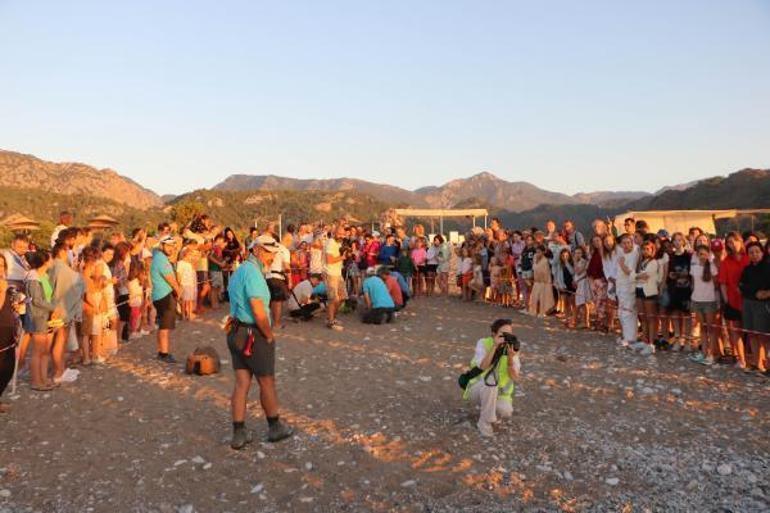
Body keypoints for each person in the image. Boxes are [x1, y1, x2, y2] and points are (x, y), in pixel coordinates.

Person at [226, 234, 293, 449]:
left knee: (241, 383)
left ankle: (239, 432)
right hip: (252, 334)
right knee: (267, 381)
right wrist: (269, 334)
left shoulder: (240, 271)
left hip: (235, 332)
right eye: (268, 252)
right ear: (257, 250)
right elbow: (257, 308)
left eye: (273, 253)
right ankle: (274, 427)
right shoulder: (253, 273)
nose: (271, 257)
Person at [462, 318, 521, 437]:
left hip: (499, 393)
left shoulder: (512, 349)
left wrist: (510, 359)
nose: (506, 338)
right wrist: (494, 347)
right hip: (477, 389)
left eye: (509, 334)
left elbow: (515, 378)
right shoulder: (483, 343)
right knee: (491, 381)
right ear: (493, 334)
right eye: (502, 335)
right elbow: (483, 366)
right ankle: (485, 422)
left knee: (505, 411)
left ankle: (487, 411)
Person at [25, 250, 63, 391]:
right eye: (51, 258)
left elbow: (49, 296)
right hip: (37, 317)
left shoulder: (44, 276)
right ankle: (36, 381)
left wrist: (55, 309)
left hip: (47, 316)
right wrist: (53, 307)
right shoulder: (33, 277)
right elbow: (36, 300)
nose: (52, 260)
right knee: (37, 351)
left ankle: (43, 378)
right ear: (45, 261)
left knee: (45, 350)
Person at [49, 243, 83, 382]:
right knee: (60, 342)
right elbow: (77, 285)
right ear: (63, 252)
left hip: (50, 309)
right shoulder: (63, 269)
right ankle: (58, 372)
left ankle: (57, 369)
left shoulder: (49, 268)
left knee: (53, 343)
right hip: (62, 310)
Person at [718, 232, 749, 369]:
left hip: (750, 301)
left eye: (734, 241)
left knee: (752, 333)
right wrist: (727, 301)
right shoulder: (726, 262)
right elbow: (723, 283)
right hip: (733, 300)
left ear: (740, 241)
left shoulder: (748, 258)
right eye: (729, 242)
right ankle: (742, 360)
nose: (733, 244)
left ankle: (755, 360)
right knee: (736, 332)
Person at [739, 241, 770, 374]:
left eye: (757, 251)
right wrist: (755, 292)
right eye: (751, 252)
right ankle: (757, 363)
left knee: (763, 336)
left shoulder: (768, 267)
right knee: (752, 334)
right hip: (748, 303)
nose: (754, 254)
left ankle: (767, 365)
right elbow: (741, 286)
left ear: (762, 252)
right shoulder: (747, 269)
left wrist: (767, 293)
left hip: (763, 305)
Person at [150, 236, 182, 364]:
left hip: (160, 295)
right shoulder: (161, 259)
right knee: (165, 326)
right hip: (165, 296)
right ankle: (164, 353)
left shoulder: (159, 257)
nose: (171, 248)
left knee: (163, 325)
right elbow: (171, 279)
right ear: (162, 245)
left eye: (172, 246)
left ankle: (161, 351)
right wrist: (179, 292)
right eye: (168, 246)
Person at [689, 245, 719, 365]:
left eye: (704, 254)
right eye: (700, 254)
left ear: (708, 254)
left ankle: (711, 354)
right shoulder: (694, 268)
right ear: (697, 255)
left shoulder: (712, 267)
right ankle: (704, 352)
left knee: (710, 328)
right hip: (696, 300)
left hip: (709, 301)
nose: (702, 256)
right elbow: (693, 282)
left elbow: (716, 283)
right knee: (702, 327)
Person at [0, 254, 23, 412]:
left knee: (7, 368)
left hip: (9, 332)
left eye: (2, 266)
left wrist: (19, 307)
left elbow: (19, 306)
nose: (0, 269)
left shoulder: (10, 288)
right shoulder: (3, 288)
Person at [633, 239, 662, 355]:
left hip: (649, 291)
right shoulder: (641, 262)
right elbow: (639, 276)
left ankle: (651, 343)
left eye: (647, 249)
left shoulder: (654, 262)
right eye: (643, 249)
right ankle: (645, 340)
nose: (645, 251)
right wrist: (637, 276)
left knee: (650, 318)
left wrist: (634, 276)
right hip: (639, 289)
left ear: (652, 250)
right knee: (643, 317)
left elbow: (645, 275)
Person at [615, 234, 639, 348]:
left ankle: (631, 338)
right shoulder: (622, 254)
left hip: (629, 288)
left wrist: (622, 264)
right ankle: (626, 336)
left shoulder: (635, 254)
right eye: (623, 243)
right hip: (620, 288)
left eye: (628, 242)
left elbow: (630, 272)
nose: (626, 245)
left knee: (628, 313)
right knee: (621, 313)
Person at [323, 224, 347, 331]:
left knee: (342, 297)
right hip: (330, 273)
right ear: (334, 233)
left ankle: (332, 317)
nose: (341, 236)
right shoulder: (330, 243)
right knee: (333, 299)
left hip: (338, 273)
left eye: (343, 234)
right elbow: (329, 260)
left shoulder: (339, 243)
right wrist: (342, 257)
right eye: (339, 234)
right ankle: (330, 321)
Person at [266, 235, 291, 330]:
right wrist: (289, 279)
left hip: (268, 276)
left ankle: (272, 321)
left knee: (272, 300)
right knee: (278, 302)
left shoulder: (272, 248)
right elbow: (286, 266)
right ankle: (277, 324)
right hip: (277, 277)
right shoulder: (284, 250)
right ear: (288, 241)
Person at [528, 245, 554, 317]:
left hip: (543, 282)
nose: (537, 253)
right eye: (537, 252)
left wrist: (545, 281)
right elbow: (534, 268)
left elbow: (546, 272)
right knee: (534, 296)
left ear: (543, 252)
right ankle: (534, 311)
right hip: (536, 281)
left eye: (539, 252)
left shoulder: (545, 261)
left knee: (542, 298)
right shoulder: (535, 257)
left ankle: (542, 312)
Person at [176, 247, 197, 320]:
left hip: (190, 284)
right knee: (183, 300)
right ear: (186, 255)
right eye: (190, 255)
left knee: (189, 300)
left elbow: (191, 274)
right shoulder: (180, 263)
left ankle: (189, 314)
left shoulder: (189, 264)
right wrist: (179, 283)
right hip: (183, 284)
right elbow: (178, 274)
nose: (191, 257)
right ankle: (183, 315)